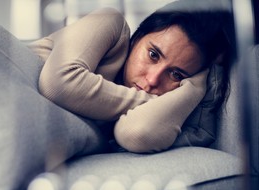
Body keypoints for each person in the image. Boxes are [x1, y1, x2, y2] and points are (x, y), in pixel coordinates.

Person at [28, 0, 235, 153]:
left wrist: (197, 85)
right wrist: (152, 101)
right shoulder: (110, 22)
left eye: (176, 74)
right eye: (153, 55)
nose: (153, 80)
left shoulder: (138, 114)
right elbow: (58, 83)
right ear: (137, 38)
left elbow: (137, 133)